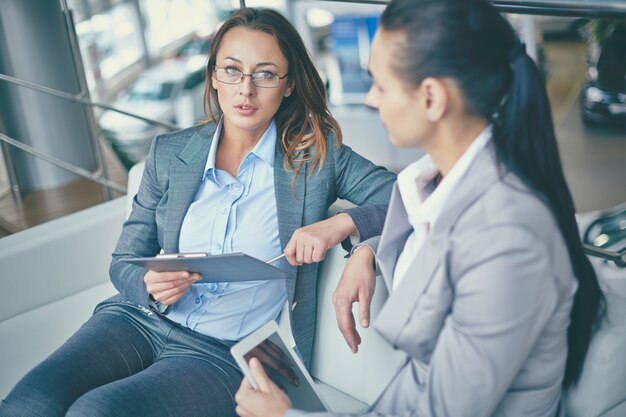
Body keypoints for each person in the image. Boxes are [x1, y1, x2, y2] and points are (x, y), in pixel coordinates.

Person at [0, 8, 395, 417]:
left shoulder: (316, 158)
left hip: (221, 354)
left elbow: (405, 194)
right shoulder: (169, 154)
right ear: (213, 76)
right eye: (231, 70)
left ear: (289, 84)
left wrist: (347, 231)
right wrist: (151, 283)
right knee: (30, 402)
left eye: (264, 74)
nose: (245, 89)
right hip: (135, 320)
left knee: (96, 412)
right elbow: (122, 263)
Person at [234, 0, 604, 416]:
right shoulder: (442, 188)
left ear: (430, 97)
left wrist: (284, 416)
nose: (372, 99)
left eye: (381, 84)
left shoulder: (509, 237)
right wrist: (367, 250)